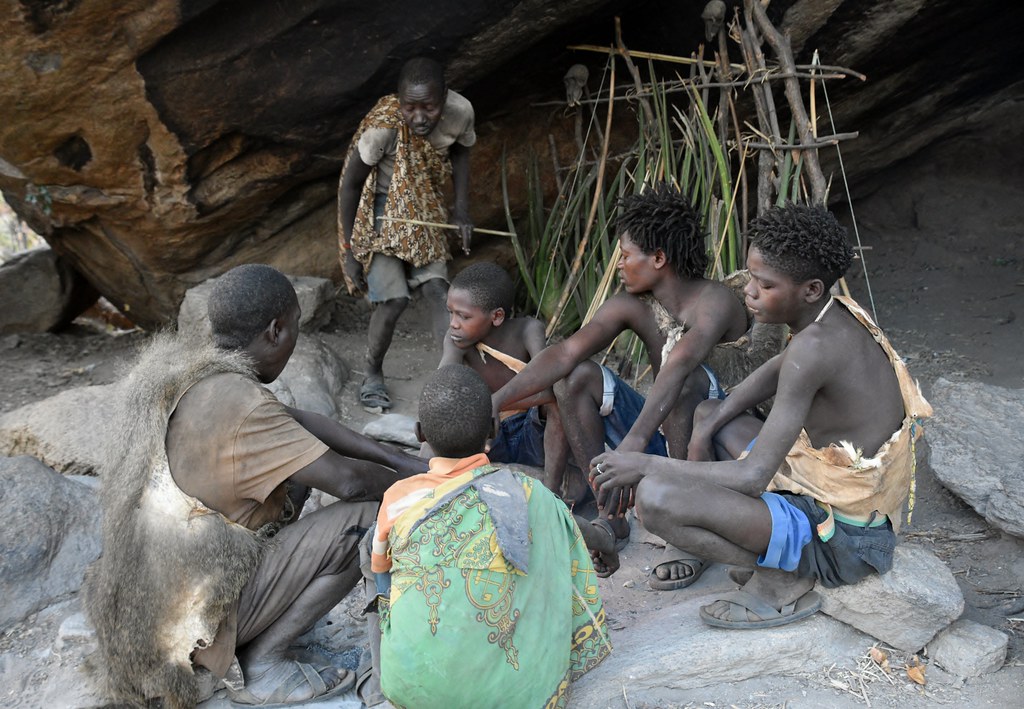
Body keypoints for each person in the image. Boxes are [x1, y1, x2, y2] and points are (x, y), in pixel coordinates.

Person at [84, 264, 427, 708]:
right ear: (275, 330)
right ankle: (262, 664)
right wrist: (421, 484)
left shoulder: (190, 373)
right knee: (365, 519)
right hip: (188, 633)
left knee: (298, 476)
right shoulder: (246, 408)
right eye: (297, 328)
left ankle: (261, 626)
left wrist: (397, 458)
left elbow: (303, 424)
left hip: (146, 614)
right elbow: (348, 480)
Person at [590, 204, 932, 629]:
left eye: (764, 284)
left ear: (809, 289)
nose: (749, 291)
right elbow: (771, 373)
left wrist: (645, 463)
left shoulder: (815, 350)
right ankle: (766, 544)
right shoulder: (834, 311)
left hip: (845, 539)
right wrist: (708, 423)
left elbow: (752, 477)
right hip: (843, 500)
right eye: (751, 277)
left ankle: (783, 575)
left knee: (656, 499)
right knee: (713, 412)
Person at [491, 182, 750, 583]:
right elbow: (564, 354)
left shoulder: (714, 301)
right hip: (659, 432)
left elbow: (680, 366)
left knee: (683, 386)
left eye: (626, 256)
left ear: (659, 258)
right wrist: (495, 401)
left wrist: (630, 446)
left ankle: (686, 530)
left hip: (710, 443)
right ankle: (611, 515)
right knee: (573, 378)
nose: (620, 265)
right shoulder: (632, 305)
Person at [368, 364, 612, 708]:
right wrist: (607, 542)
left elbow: (382, 575)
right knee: (543, 544)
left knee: (375, 554)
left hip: (413, 689)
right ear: (495, 428)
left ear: (420, 434)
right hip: (517, 693)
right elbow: (575, 529)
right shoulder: (528, 494)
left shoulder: (398, 498)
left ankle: (382, 671)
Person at [338, 56, 475, 413]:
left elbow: (461, 151)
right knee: (393, 299)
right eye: (410, 107)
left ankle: (452, 378)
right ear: (398, 102)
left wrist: (461, 208)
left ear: (444, 97)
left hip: (425, 205)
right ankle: (372, 373)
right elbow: (351, 186)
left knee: (438, 291)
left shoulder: (460, 112)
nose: (419, 117)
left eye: (429, 107)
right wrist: (350, 248)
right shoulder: (381, 130)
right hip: (381, 208)